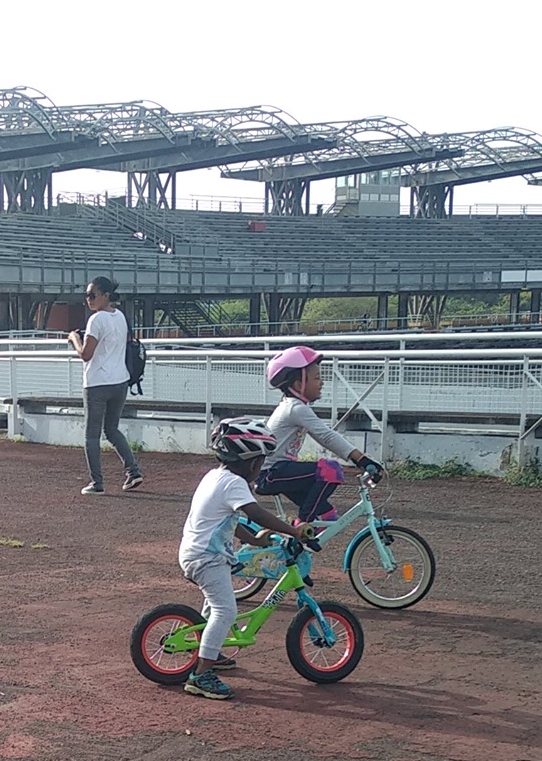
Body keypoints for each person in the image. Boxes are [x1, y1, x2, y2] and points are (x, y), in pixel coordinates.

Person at [175, 416, 317, 701]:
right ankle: (201, 676)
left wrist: (254, 539)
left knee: (213, 606)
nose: (261, 466)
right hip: (207, 558)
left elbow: (227, 519)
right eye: (261, 461)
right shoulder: (234, 483)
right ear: (251, 462)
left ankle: (210, 652)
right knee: (225, 611)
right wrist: (293, 531)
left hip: (200, 553)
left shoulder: (214, 476)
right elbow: (255, 513)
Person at [261, 346, 384, 524]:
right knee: (330, 470)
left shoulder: (295, 406)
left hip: (281, 471)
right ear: (298, 384)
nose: (322, 382)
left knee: (327, 515)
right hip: (270, 473)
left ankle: (296, 545)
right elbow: (326, 436)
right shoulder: (295, 408)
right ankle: (301, 526)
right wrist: (362, 460)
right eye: (317, 378)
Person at [68, 276, 143, 495]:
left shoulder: (96, 320)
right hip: (120, 381)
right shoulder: (120, 316)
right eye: (87, 295)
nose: (88, 299)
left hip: (97, 383)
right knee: (112, 429)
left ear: (105, 296)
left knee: (92, 435)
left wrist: (74, 338)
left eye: (93, 295)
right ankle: (133, 471)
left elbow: (85, 354)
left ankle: (97, 483)